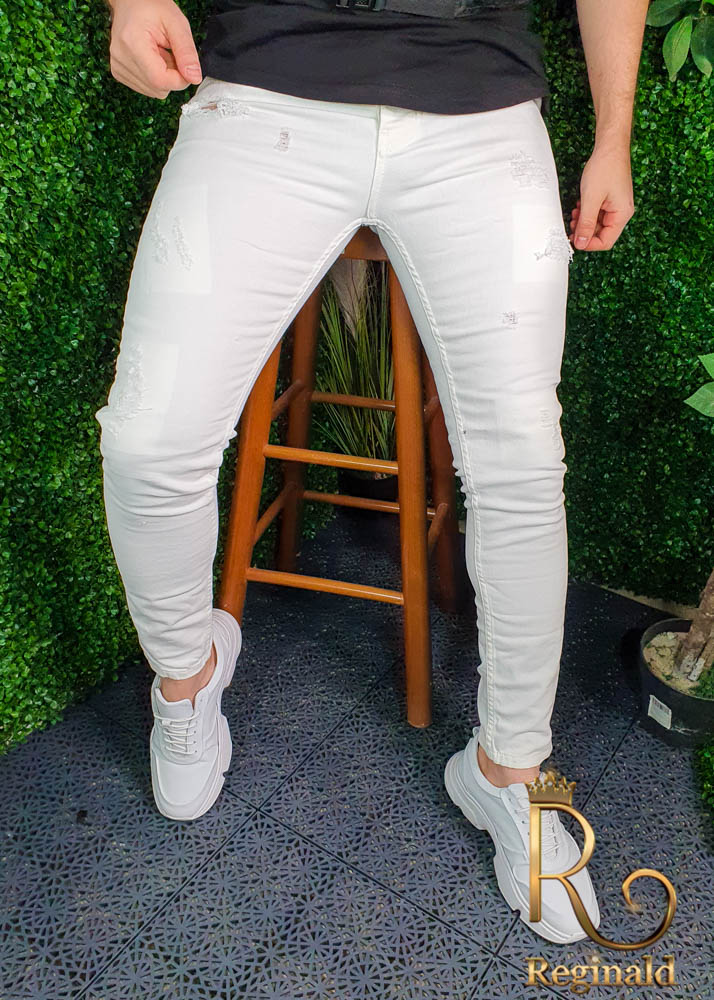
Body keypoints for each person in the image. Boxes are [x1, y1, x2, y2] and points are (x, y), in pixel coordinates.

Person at [98, 0, 644, 944]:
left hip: (479, 106)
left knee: (522, 466)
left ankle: (508, 772)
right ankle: (187, 681)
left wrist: (613, 135)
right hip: (267, 85)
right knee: (149, 442)